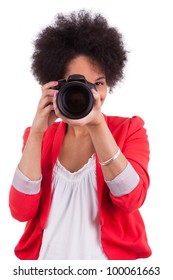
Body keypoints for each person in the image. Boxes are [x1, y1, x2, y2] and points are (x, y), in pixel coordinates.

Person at [9, 9, 152, 260]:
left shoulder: (130, 130)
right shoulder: (37, 135)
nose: (90, 94)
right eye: (77, 85)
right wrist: (37, 133)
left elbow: (131, 199)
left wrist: (97, 125)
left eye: (98, 83)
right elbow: (21, 212)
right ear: (55, 86)